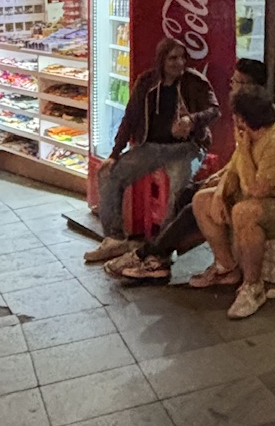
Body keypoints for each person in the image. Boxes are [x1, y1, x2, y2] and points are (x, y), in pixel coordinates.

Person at [118, 57, 269, 284]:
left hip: (250, 186)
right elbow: (239, 159)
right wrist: (218, 178)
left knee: (194, 206)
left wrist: (220, 186)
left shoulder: (261, 118)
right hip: (237, 176)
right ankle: (160, 260)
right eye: (233, 81)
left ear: (251, 88)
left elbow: (253, 168)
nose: (231, 87)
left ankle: (148, 254)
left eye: (237, 82)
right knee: (185, 193)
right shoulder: (243, 113)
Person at [83, 38, 219, 266]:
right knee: (107, 173)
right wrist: (115, 153)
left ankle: (161, 249)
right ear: (161, 60)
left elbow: (215, 110)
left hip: (187, 148)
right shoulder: (147, 82)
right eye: (172, 58)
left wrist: (192, 120)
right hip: (151, 146)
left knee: (178, 187)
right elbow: (130, 117)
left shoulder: (194, 81)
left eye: (182, 57)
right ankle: (115, 238)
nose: (179, 63)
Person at [188, 86, 275, 319]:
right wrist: (219, 194)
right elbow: (233, 167)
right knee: (202, 200)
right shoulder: (250, 135)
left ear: (242, 119)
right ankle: (226, 268)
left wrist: (245, 149)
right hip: (267, 197)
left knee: (243, 212)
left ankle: (253, 287)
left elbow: (254, 190)